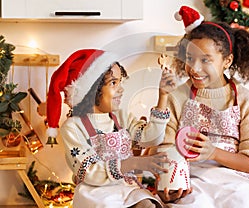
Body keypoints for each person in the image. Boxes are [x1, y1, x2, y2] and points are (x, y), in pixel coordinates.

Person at [155, 6, 249, 208]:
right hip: (192, 182)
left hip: (238, 183)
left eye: (205, 60)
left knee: (244, 201)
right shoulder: (177, 97)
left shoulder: (246, 101)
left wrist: (213, 153)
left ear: (227, 61)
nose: (194, 68)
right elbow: (165, 151)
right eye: (190, 58)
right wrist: (167, 186)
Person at [46, 49, 176, 208]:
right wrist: (135, 163)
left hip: (127, 188)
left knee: (149, 205)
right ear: (91, 90)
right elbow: (90, 171)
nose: (121, 89)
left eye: (120, 82)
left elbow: (151, 138)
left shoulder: (121, 117)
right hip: (96, 194)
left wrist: (163, 96)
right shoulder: (73, 127)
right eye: (113, 83)